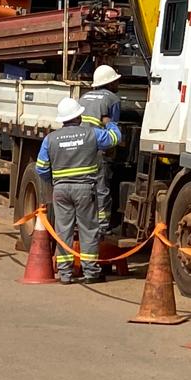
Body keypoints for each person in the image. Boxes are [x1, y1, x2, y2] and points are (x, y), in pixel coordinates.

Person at [35, 96, 121, 284]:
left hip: (61, 190)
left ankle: (65, 274)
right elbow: (115, 138)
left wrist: (55, 181)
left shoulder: (50, 139)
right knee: (88, 230)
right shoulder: (92, 134)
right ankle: (91, 273)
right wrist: (110, 123)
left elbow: (41, 167)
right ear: (79, 117)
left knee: (63, 229)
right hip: (85, 190)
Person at [78, 64, 122, 234]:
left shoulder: (84, 97)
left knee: (83, 186)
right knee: (101, 188)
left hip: (80, 148)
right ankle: (103, 225)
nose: (118, 84)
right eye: (116, 81)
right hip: (97, 149)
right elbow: (113, 128)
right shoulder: (113, 99)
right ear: (110, 83)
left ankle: (81, 220)